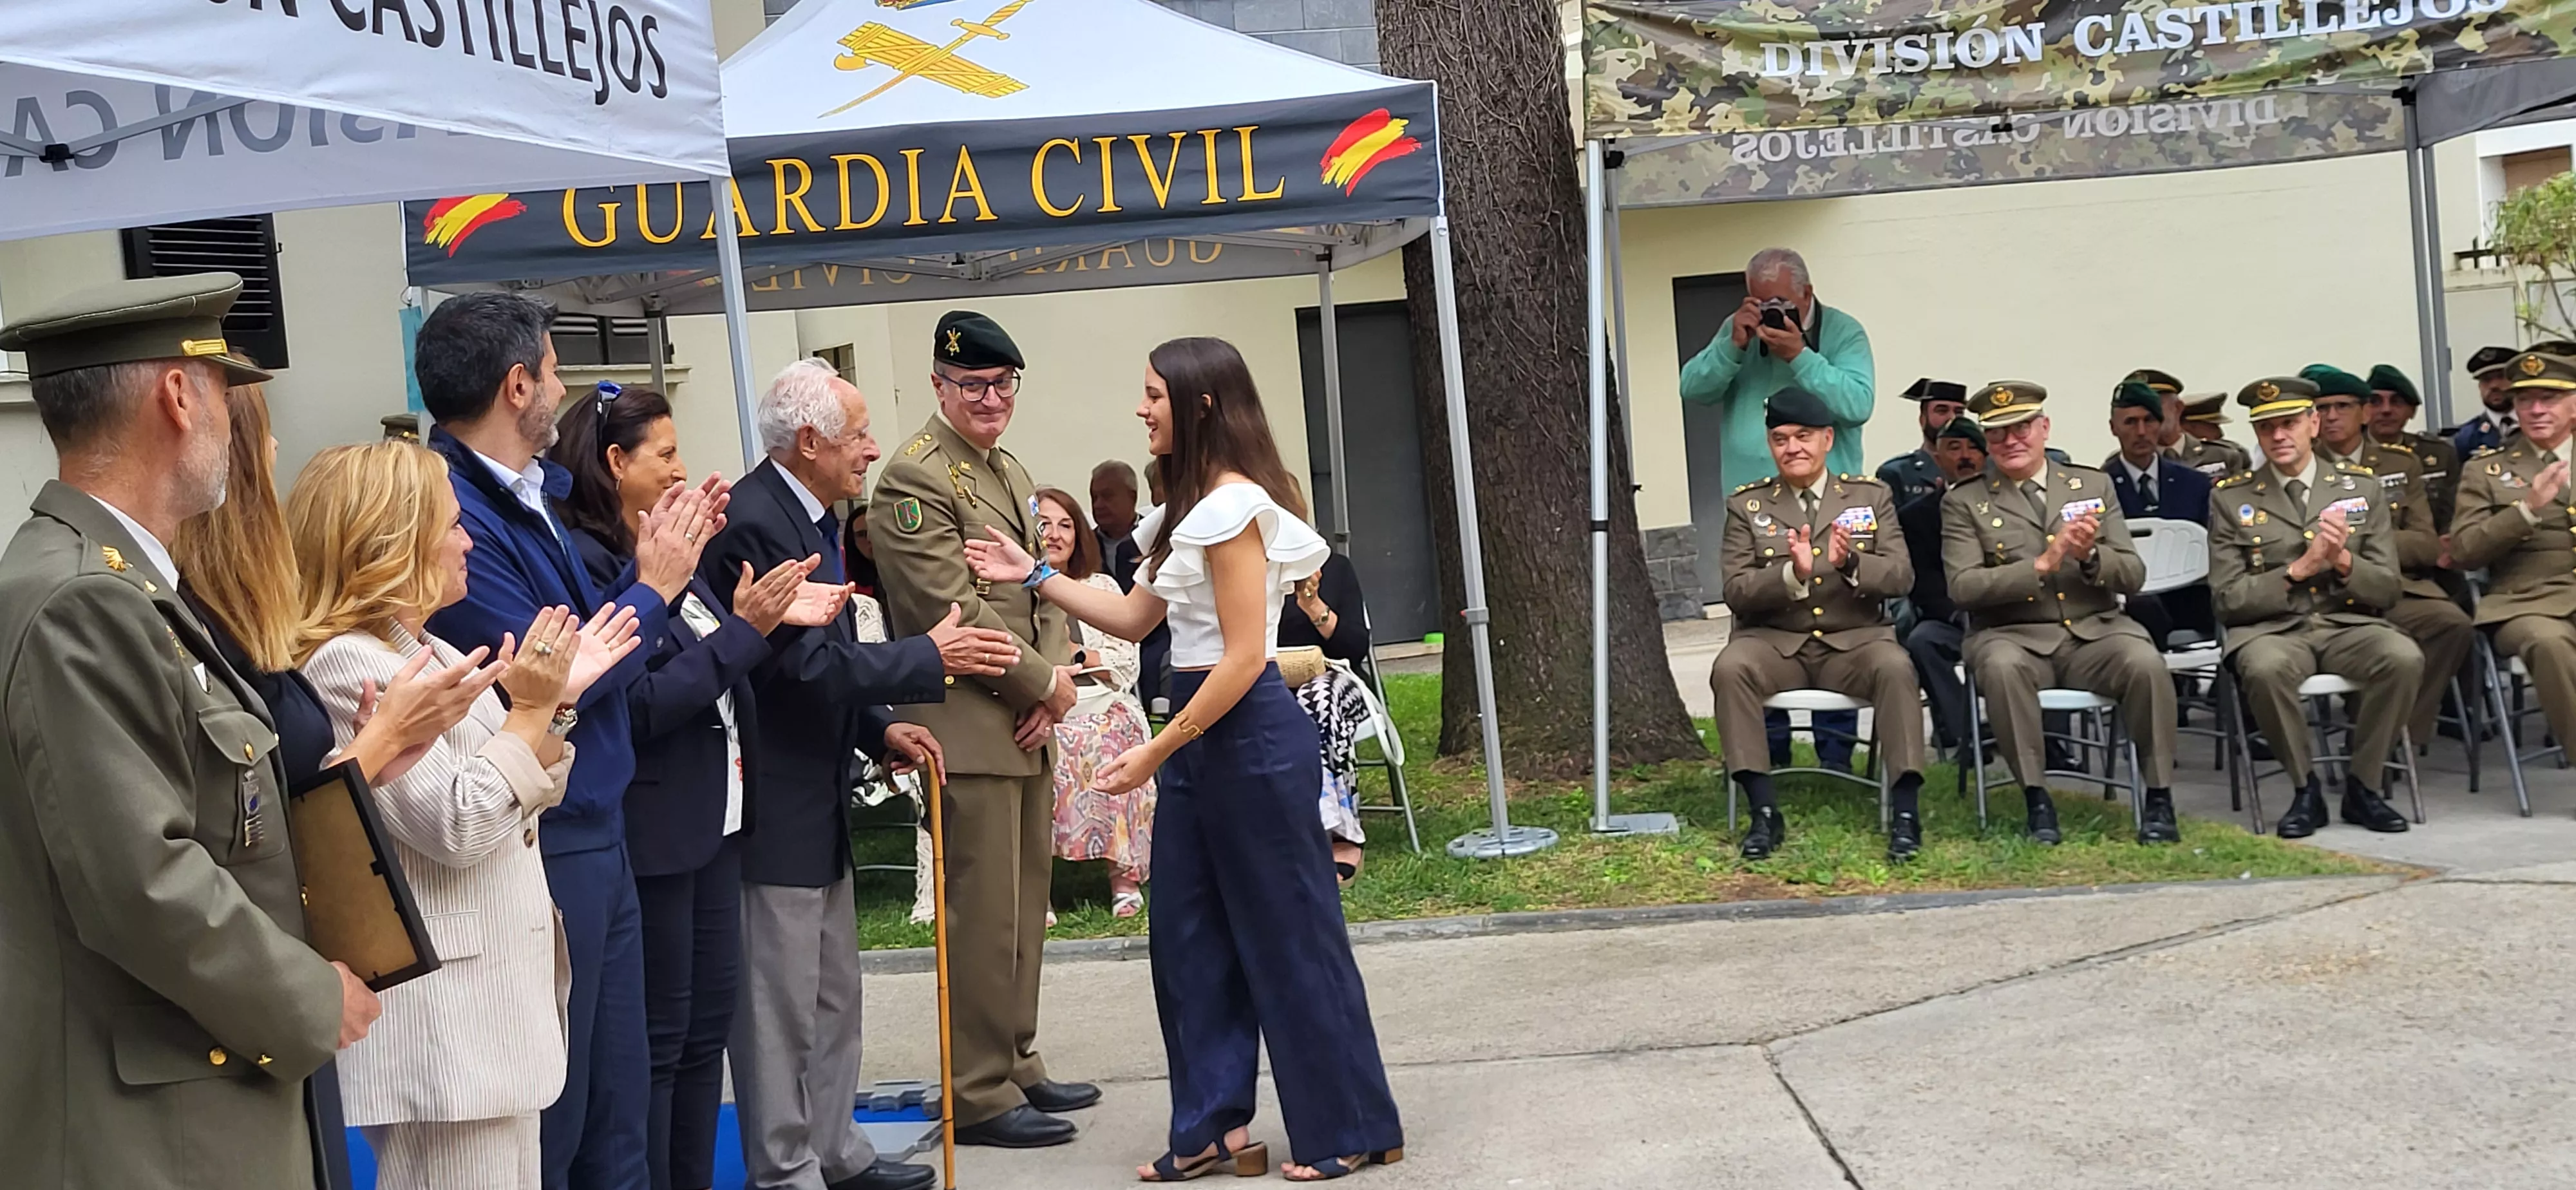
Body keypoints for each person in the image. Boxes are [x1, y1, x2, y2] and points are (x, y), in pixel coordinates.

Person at [960, 335, 1403, 1183]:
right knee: (1187, 941)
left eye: (1155, 395)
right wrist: (1033, 574)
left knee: (1291, 939)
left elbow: (1243, 658)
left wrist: (1156, 750)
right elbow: (1131, 620)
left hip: (1246, 734)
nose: (1141, 408)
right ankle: (1208, 1129)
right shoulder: (1182, 512)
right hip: (1206, 740)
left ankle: (1352, 1124)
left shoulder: (1233, 507)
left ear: (1200, 405)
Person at [0, 272, 379, 1189]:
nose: (233, 427)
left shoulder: (119, 583)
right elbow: (141, 880)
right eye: (222, 388)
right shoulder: (85, 600)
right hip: (153, 1126)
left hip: (185, 1096)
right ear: (179, 394)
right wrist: (305, 998)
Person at [414, 290, 711, 1190]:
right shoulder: (454, 510)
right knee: (564, 1111)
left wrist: (642, 571)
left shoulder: (529, 493)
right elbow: (550, 670)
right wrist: (655, 587)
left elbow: (585, 637)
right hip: (550, 833)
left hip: (597, 823)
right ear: (517, 385)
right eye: (552, 369)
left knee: (619, 1112)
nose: (560, 387)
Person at [176, 366, 496, 1190]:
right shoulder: (269, 637)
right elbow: (223, 830)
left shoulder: (251, 622)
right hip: (280, 979)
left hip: (301, 975)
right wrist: (379, 744)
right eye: (265, 439)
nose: (281, 452)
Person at [292, 441, 640, 1189]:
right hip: (447, 1023)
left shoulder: (423, 646)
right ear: (393, 540)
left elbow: (519, 783)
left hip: (490, 1009)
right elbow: (460, 824)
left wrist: (556, 706)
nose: (468, 540)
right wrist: (538, 708)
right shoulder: (346, 663)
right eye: (450, 525)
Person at [544, 384, 849, 1190]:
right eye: (666, 454)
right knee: (660, 1041)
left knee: (705, 1031)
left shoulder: (666, 557)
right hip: (657, 829)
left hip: (718, 824)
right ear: (615, 463)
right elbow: (642, 701)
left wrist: (761, 616)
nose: (682, 470)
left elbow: (719, 647)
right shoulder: (605, 565)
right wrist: (743, 627)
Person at [699, 359, 977, 1190]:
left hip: (815, 795)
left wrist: (880, 730)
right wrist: (927, 656)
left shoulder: (812, 516)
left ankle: (836, 1150)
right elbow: (801, 669)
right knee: (778, 1008)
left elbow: (832, 664)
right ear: (811, 440)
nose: (871, 449)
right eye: (858, 434)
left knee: (832, 994)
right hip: (770, 802)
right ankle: (785, 1168)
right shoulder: (755, 523)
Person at [869, 312, 1101, 1149]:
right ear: (939, 386)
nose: (991, 398)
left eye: (1003, 385)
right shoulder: (912, 479)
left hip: (1025, 721)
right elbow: (949, 609)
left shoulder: (1004, 468)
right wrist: (1048, 686)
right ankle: (974, 1085)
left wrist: (1054, 683)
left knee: (1022, 906)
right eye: (973, 385)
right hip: (967, 723)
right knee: (982, 912)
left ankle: (1016, 1057)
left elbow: (1039, 592)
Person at [1941, 381, 2181, 845]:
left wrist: (2092, 558)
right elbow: (1963, 587)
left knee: (2146, 664)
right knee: (2002, 667)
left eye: (2022, 428)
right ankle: (2037, 800)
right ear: (1987, 441)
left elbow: (2132, 573)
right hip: (2012, 634)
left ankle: (2158, 796)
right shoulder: (1964, 501)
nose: (2011, 441)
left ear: (2044, 428)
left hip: (2095, 631)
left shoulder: (2091, 484)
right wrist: (2042, 565)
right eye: (1998, 433)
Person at [1707, 387, 1928, 860]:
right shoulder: (1747, 506)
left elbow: (1901, 574)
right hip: (1775, 644)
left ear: (1828, 439)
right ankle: (1763, 811)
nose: (1793, 448)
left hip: (1855, 642)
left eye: (1804, 436)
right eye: (1781, 438)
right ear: (1770, 445)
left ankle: (1906, 812)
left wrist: (1851, 567)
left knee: (1896, 667)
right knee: (1731, 668)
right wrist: (1792, 574)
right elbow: (1736, 589)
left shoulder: (1871, 496)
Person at [2207, 377, 2421, 838]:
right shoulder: (2231, 497)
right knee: (2263, 670)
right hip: (2273, 630)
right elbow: (2227, 600)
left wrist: (2342, 560)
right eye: (2266, 428)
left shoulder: (2361, 488)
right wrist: (2296, 571)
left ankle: (2364, 785)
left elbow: (2386, 589)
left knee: (2402, 658)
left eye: (2289, 424)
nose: (2279, 436)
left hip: (2346, 623)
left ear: (2314, 423)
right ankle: (2305, 789)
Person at [2306, 365, 2475, 750]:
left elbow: (2426, 545)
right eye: (2322, 408)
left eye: (2342, 406)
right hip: (2327, 595)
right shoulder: (2302, 465)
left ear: (2364, 412)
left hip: (2395, 586)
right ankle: (2374, 738)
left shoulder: (2401, 464)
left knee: (2452, 625)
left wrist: (2354, 545)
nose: (2331, 416)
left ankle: (2395, 736)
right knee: (2368, 643)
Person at [1026, 487, 1156, 918]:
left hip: (1099, 705)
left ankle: (1124, 877)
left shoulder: (1098, 586)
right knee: (1047, 745)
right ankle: (1036, 889)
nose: (1055, 534)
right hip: (1040, 708)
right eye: (1044, 524)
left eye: (1066, 525)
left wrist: (1077, 655)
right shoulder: (1011, 592)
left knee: (1113, 741)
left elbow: (1126, 665)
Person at [2452, 348, 2576, 765]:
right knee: (2549, 644)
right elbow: (2466, 550)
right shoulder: (2484, 470)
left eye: (2549, 398)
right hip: (2526, 604)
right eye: (2525, 400)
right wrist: (2526, 510)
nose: (2536, 410)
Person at [1678, 247, 1876, 495]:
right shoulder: (1740, 327)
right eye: (1761, 304)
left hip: (1825, 499)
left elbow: (1858, 406)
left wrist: (1799, 357)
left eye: (1781, 303)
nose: (1772, 313)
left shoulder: (1844, 332)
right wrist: (1731, 349)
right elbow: (1692, 389)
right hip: (1750, 497)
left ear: (1807, 293)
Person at [1279, 544, 1376, 882]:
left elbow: (1354, 648)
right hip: (1270, 682)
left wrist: (1314, 607)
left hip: (1337, 680)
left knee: (1316, 697)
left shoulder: (1334, 567)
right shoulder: (1247, 572)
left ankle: (1340, 831)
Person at [1897, 415, 1987, 756]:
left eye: (1973, 448)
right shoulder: (1916, 516)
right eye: (1954, 448)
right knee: (1923, 641)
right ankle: (1968, 736)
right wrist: (1957, 614)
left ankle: (2048, 744)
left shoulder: (2010, 506)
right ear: (1937, 457)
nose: (1965, 456)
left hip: (2007, 616)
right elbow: (1922, 583)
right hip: (1953, 619)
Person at [2366, 364, 2461, 530]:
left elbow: (2454, 514)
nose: (2386, 410)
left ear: (2412, 411)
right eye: (2375, 402)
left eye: (2397, 402)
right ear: (2362, 411)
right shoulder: (2349, 455)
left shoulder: (2439, 454)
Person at [1875, 377, 1969, 507]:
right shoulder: (1897, 473)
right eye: (1942, 411)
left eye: (1959, 412)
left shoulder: (1981, 468)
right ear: (1922, 419)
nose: (1952, 418)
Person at [2453, 345, 2523, 458]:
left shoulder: (2538, 425)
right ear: (2480, 386)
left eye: (2501, 376)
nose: (2494, 386)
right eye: (2486, 380)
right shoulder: (2466, 437)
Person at [2170, 389, 2255, 479]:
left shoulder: (2229, 454)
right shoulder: (2161, 455)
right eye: (2213, 426)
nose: (2220, 433)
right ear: (2189, 426)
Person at [1090, 459, 1146, 589]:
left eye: (1107, 496)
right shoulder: (1085, 545)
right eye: (1094, 497)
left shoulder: (1154, 538)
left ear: (1132, 497)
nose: (1098, 505)